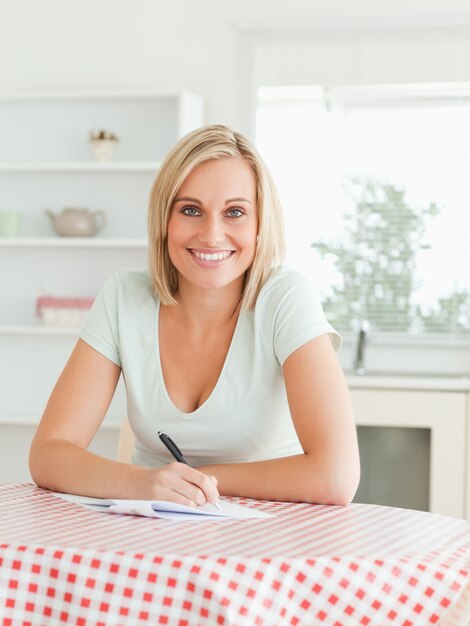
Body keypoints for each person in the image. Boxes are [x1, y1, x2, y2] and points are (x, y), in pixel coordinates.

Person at [29, 124, 360, 508]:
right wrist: (144, 483)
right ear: (164, 221)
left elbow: (336, 476)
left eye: (235, 212)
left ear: (259, 225)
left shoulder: (285, 298)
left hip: (270, 538)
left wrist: (194, 482)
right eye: (191, 210)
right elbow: (49, 453)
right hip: (157, 532)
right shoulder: (124, 296)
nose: (212, 234)